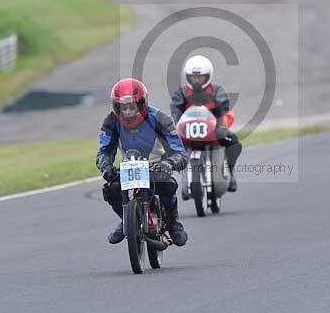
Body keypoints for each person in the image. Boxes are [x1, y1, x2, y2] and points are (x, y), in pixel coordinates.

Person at [97, 78, 188, 246]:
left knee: (167, 184)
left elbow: (179, 151)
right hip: (128, 167)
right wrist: (106, 167)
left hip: (156, 166)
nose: (128, 112)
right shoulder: (111, 121)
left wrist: (168, 163)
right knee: (111, 189)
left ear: (142, 103)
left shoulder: (161, 119)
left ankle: (173, 223)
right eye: (123, 108)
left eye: (132, 107)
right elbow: (104, 151)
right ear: (116, 107)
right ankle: (126, 220)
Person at [171, 55, 242, 194]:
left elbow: (222, 110)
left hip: (213, 129)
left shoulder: (217, 90)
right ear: (187, 77)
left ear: (208, 76)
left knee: (233, 141)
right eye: (193, 77)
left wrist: (221, 128)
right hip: (189, 131)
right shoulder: (181, 92)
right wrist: (174, 131)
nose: (196, 80)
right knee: (171, 147)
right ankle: (186, 178)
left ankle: (230, 172)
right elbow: (175, 114)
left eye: (200, 77)